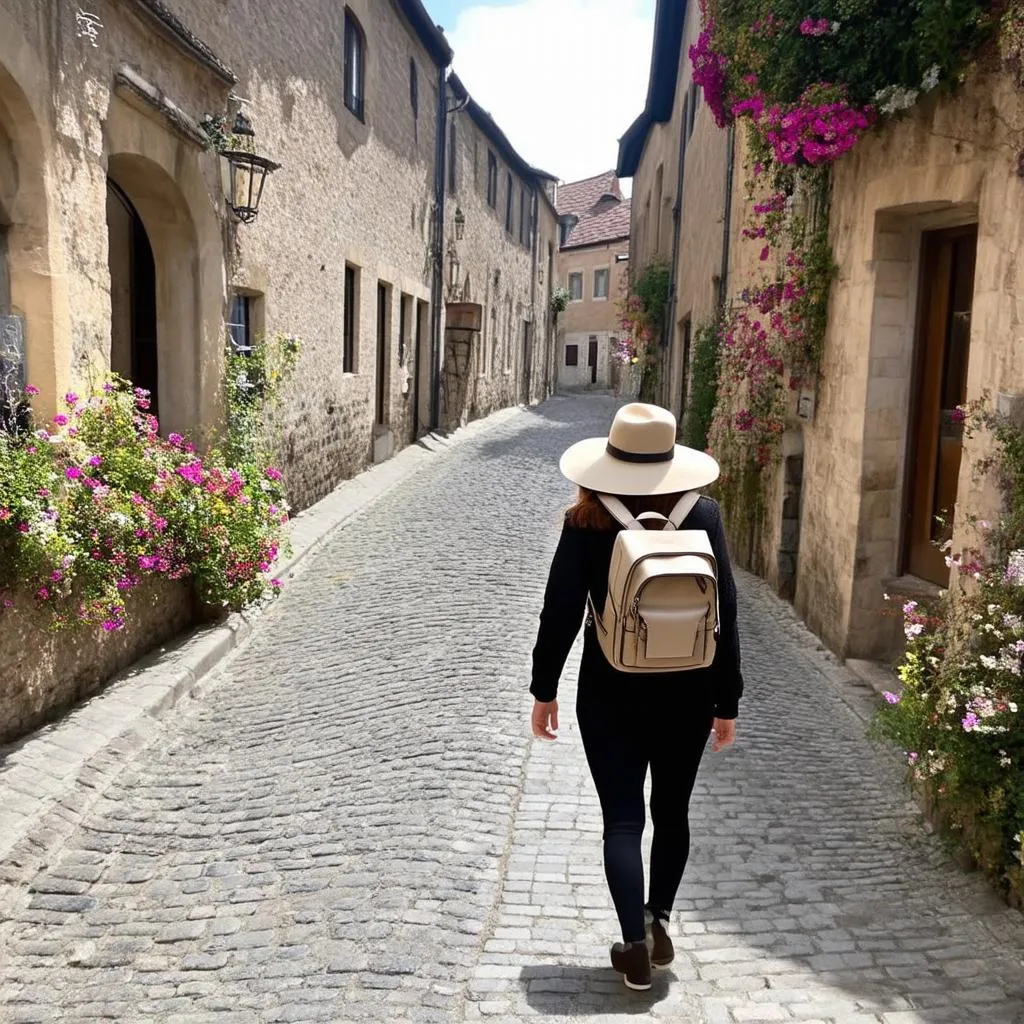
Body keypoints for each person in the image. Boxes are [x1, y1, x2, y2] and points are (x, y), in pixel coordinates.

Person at [529, 402, 743, 992]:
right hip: (691, 689)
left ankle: (633, 944)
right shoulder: (705, 513)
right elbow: (726, 610)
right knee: (672, 812)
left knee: (623, 820)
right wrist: (728, 701)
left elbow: (562, 611)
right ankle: (660, 917)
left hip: (610, 690)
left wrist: (543, 689)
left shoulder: (588, 519)